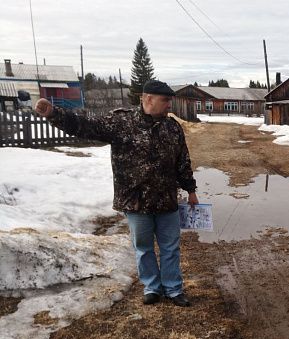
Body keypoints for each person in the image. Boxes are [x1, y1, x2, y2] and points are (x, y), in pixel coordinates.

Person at [35, 80, 198, 307]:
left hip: (166, 199)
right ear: (148, 99)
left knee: (171, 247)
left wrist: (190, 189)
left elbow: (183, 161)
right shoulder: (121, 121)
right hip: (135, 202)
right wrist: (54, 113)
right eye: (165, 100)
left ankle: (173, 289)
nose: (169, 105)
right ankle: (152, 287)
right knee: (143, 247)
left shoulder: (172, 127)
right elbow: (85, 124)